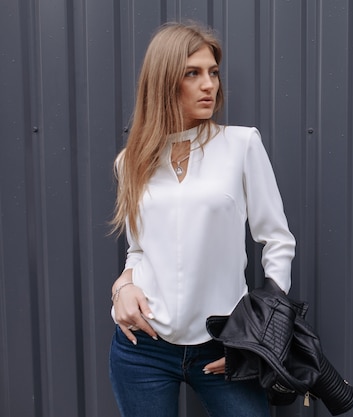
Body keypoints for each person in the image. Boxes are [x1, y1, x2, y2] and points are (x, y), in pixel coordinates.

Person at [108, 21, 295, 417]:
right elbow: (140, 249)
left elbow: (277, 240)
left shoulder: (241, 145)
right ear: (162, 82)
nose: (208, 84)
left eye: (212, 72)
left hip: (225, 344)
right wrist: (122, 290)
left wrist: (260, 336)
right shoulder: (132, 162)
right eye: (192, 73)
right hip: (144, 348)